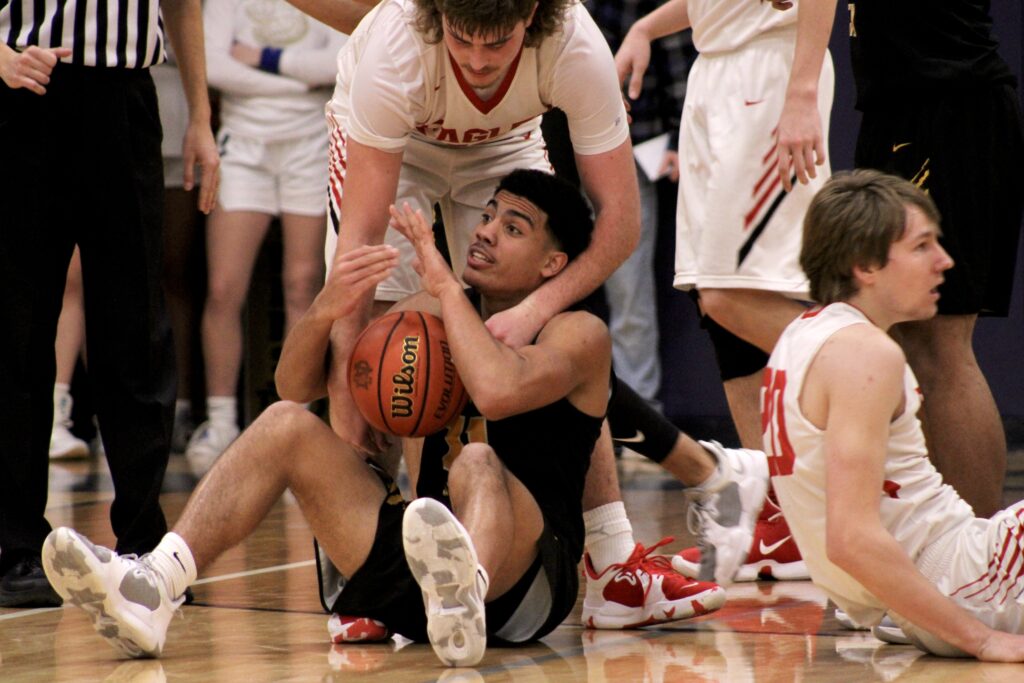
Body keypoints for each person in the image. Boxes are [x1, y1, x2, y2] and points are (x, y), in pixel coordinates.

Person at [42, 169, 723, 667]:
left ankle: (467, 595)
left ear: (553, 263)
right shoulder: (426, 321)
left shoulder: (578, 334)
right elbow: (291, 384)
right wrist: (329, 305)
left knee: (479, 459)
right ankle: (152, 588)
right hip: (417, 567)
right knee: (284, 423)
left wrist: (442, 281)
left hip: (526, 585)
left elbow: (495, 389)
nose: (485, 230)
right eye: (488, 215)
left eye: (512, 228)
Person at [0, 0, 219, 607]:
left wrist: (199, 114)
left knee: (137, 330)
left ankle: (145, 544)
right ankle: (15, 547)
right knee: (17, 333)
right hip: (25, 93)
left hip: (125, 96)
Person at [775, 0, 1024, 518]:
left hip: (947, 102)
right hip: (907, 105)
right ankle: (951, 542)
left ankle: (979, 554)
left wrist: (801, 92)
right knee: (913, 335)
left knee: (939, 341)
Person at [613, 0, 834, 582]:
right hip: (715, 77)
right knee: (716, 304)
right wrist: (646, 27)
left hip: (771, 74)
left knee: (735, 294)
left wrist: (802, 89)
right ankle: (785, 518)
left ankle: (872, 395)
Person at [763, 169, 1024, 661]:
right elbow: (850, 538)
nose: (945, 261)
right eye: (922, 245)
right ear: (865, 264)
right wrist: (983, 639)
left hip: (932, 594)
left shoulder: (802, 335)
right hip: (965, 581)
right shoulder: (865, 354)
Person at [183, 0, 347, 472]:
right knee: (223, 287)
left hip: (313, 138)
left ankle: (298, 422)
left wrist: (265, 59)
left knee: (304, 284)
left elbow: (342, 59)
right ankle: (220, 424)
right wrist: (300, 77)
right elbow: (212, 62)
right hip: (243, 141)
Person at [585, 0, 693, 409]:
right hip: (548, 146)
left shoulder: (642, 7)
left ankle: (640, 416)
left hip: (626, 149)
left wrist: (682, 139)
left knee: (628, 289)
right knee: (532, 278)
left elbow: (679, 64)